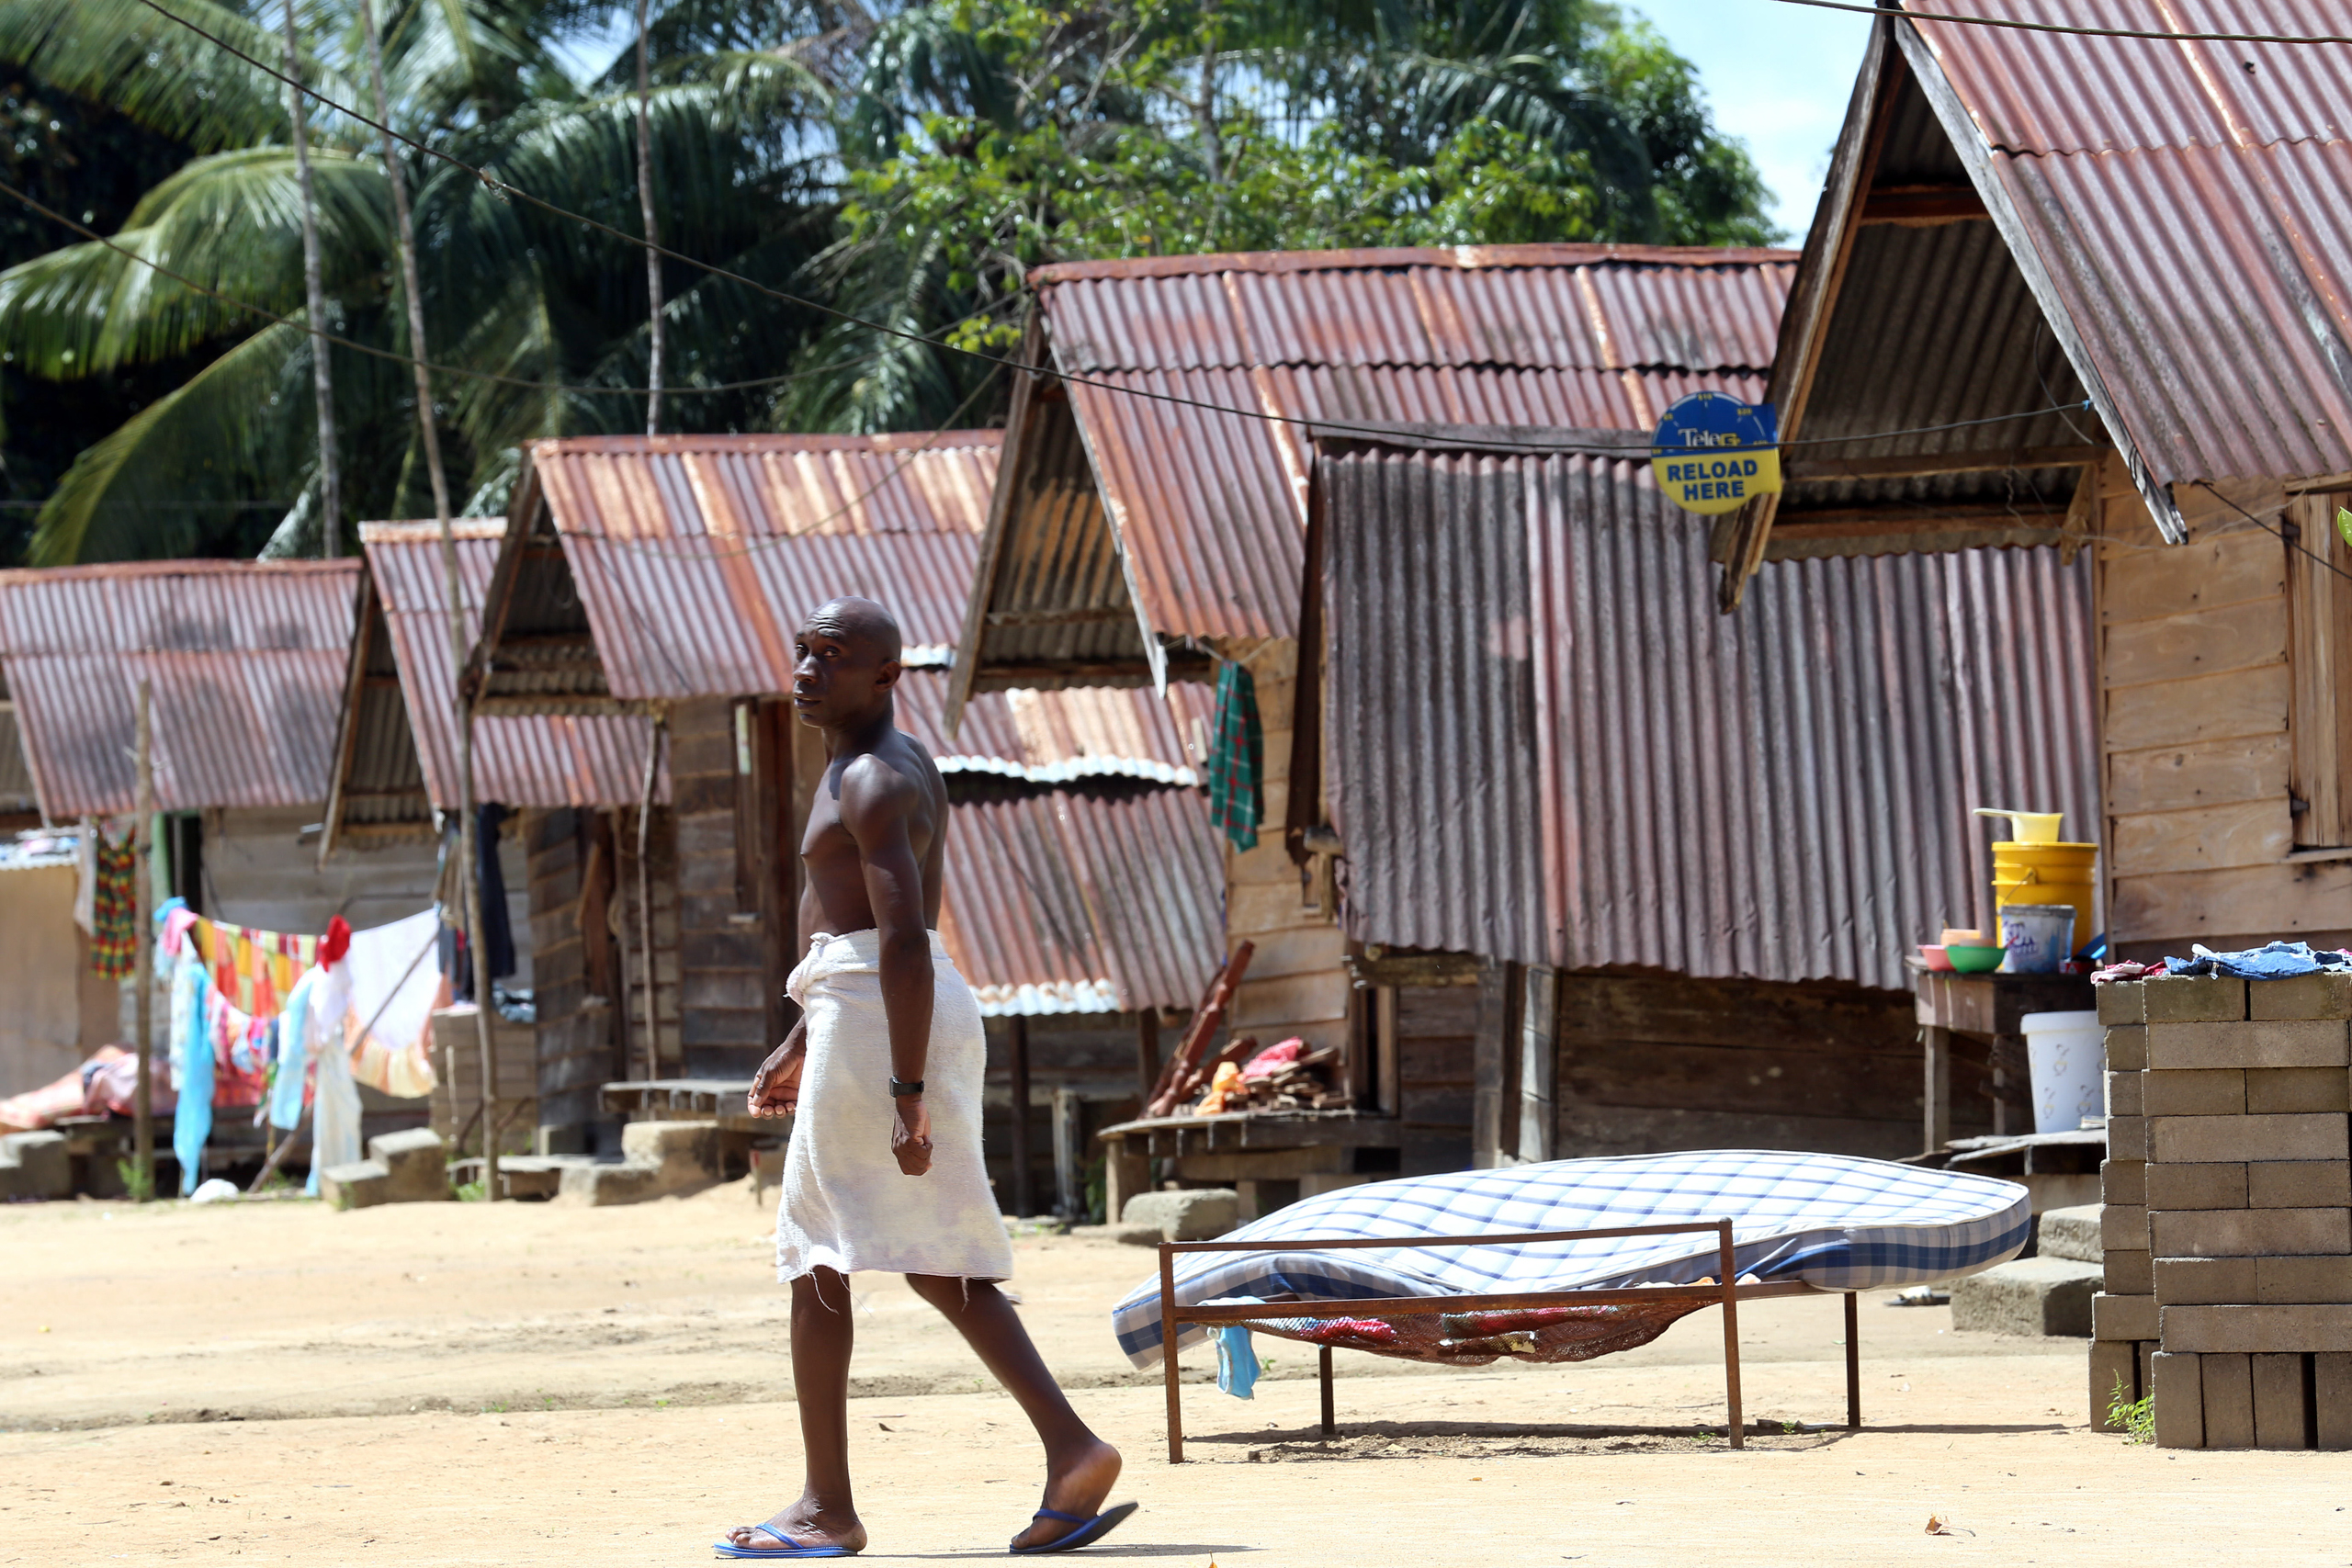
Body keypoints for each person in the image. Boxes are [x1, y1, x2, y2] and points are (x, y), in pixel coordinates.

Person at [718, 596, 1133, 1560]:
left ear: (887, 677)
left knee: (817, 1254)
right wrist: (802, 1034)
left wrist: (906, 1096)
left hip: (887, 1018)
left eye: (834, 657)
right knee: (937, 1260)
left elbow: (902, 941)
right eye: (803, 652)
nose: (809, 670)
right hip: (867, 1014)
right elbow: (859, 937)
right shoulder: (857, 766)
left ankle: (828, 1509)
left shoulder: (870, 779)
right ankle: (1074, 1451)